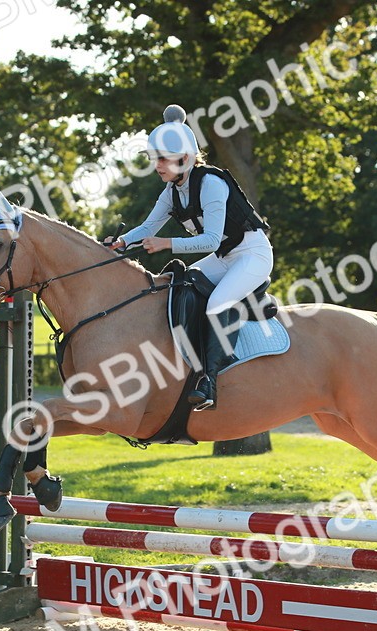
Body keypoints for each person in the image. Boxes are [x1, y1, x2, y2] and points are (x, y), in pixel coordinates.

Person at [106, 104, 272, 410]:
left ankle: (208, 383)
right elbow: (147, 226)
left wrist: (166, 243)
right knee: (178, 291)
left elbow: (209, 240)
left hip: (252, 254)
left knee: (215, 303)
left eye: (163, 159)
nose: (157, 165)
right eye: (154, 159)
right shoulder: (172, 191)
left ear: (185, 158)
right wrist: (119, 243)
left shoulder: (211, 183)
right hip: (225, 258)